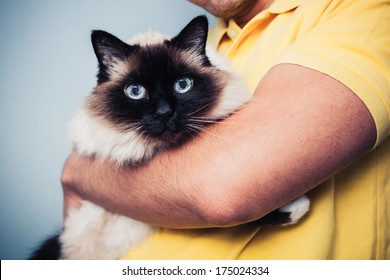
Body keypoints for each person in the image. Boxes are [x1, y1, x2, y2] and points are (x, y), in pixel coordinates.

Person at [61, 0, 390, 259]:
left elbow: (223, 191)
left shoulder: (363, 12)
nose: (162, 111)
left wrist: (79, 175)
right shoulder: (213, 44)